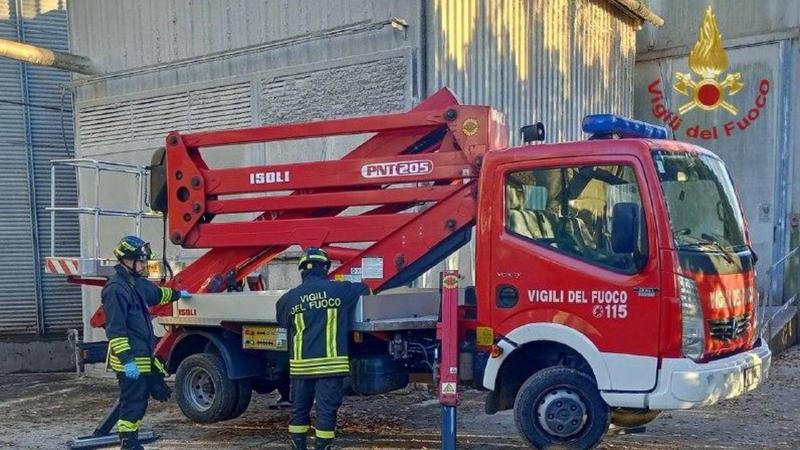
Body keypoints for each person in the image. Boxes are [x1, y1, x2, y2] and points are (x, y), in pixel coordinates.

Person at [102, 236, 192, 450]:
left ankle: (131, 439)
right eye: (140, 262)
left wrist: (180, 294)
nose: (143, 266)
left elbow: (158, 294)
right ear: (127, 261)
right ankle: (128, 443)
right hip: (130, 360)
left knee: (142, 400)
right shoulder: (115, 288)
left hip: (142, 356)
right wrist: (127, 361)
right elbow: (116, 330)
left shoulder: (136, 283)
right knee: (132, 403)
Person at [276, 247, 370, 450]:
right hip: (330, 366)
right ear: (325, 268)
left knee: (299, 412)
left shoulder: (289, 298)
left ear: (302, 271)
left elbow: (282, 323)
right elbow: (365, 289)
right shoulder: (340, 290)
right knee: (326, 412)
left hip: (301, 369)